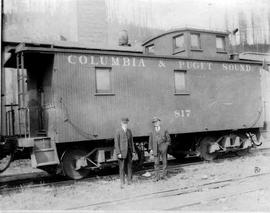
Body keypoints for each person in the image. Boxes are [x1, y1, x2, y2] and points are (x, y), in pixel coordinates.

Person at [114, 118, 136, 188]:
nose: (125, 124)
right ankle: (122, 181)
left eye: (126, 123)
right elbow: (116, 143)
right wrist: (118, 153)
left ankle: (129, 180)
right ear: (121, 123)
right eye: (124, 123)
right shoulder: (118, 131)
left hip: (129, 152)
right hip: (122, 153)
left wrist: (133, 151)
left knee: (129, 166)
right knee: (122, 167)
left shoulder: (129, 131)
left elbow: (131, 142)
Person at [149, 117, 171, 181]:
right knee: (156, 163)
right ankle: (157, 177)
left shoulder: (164, 129)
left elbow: (168, 139)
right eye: (154, 122)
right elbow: (150, 140)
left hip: (163, 148)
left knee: (164, 162)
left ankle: (164, 176)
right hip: (155, 149)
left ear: (159, 122)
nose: (155, 123)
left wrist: (166, 146)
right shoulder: (152, 131)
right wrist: (151, 149)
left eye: (156, 122)